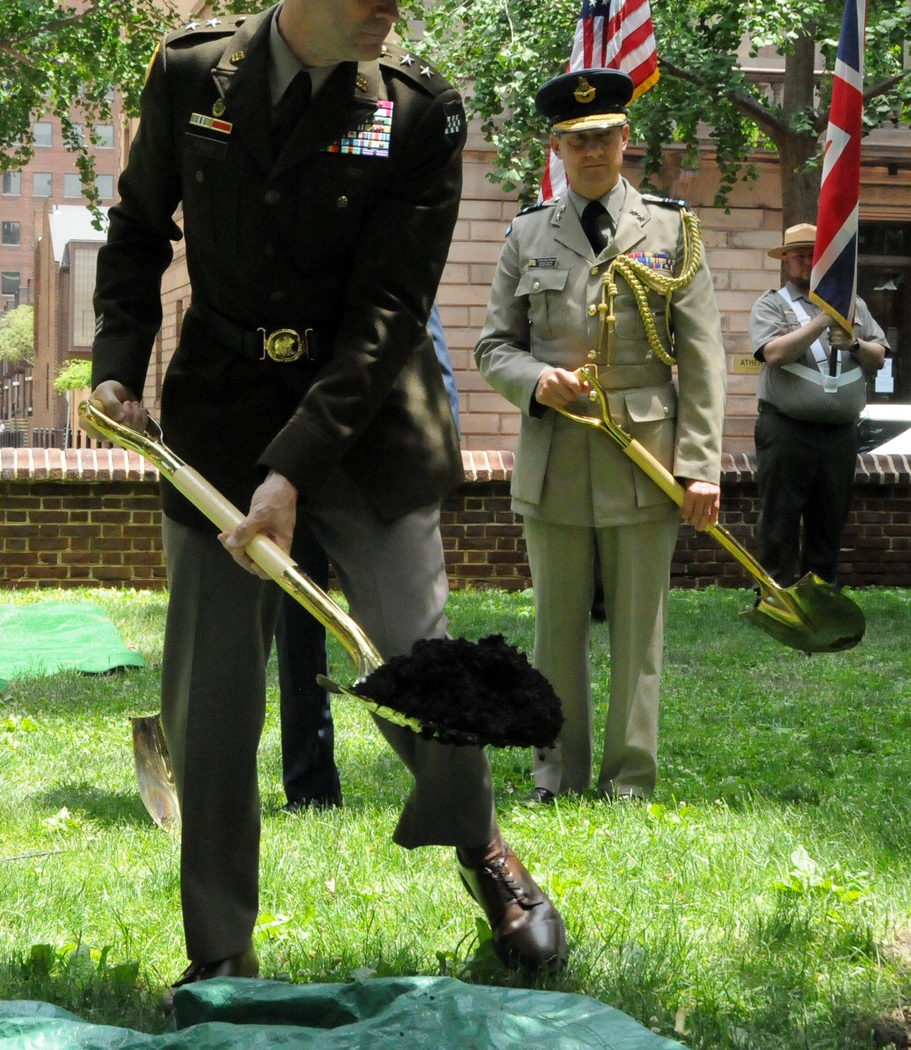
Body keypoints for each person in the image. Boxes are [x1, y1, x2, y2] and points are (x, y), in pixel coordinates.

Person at [90, 0, 567, 1000]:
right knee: (212, 702)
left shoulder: (419, 111)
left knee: (416, 665)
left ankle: (484, 853)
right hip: (217, 413)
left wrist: (294, 471)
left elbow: (388, 313)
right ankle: (219, 948)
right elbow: (135, 232)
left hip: (365, 422)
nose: (387, 7)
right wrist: (115, 368)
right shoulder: (190, 76)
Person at [475, 68, 726, 804]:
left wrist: (701, 467)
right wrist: (535, 381)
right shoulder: (527, 234)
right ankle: (556, 775)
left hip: (645, 458)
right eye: (577, 139)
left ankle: (628, 781)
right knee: (555, 636)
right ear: (557, 146)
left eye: (605, 136)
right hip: (555, 457)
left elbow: (705, 356)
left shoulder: (672, 231)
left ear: (626, 139)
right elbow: (494, 346)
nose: (593, 150)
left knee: (637, 637)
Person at [274, 302, 459, 815]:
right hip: (282, 469)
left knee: (402, 634)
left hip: (372, 472)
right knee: (296, 629)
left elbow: (429, 365)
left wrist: (437, 456)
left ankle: (451, 782)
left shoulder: (387, 264)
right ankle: (309, 785)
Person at [749, 222, 887, 588]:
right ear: (786, 262)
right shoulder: (771, 304)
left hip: (839, 434)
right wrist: (825, 317)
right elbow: (774, 353)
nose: (806, 261)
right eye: (798, 255)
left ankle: (820, 597)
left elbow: (879, 356)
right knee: (779, 519)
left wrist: (854, 342)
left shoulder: (855, 306)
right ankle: (776, 599)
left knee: (829, 520)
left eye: (814, 254)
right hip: (786, 429)